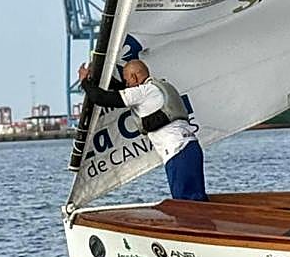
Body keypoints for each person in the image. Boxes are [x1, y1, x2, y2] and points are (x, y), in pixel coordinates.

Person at [77, 59, 206, 200]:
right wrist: (101, 76)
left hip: (177, 150)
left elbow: (101, 98)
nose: (126, 85)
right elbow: (121, 88)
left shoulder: (143, 92)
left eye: (127, 80)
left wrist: (84, 81)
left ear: (134, 77)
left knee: (185, 202)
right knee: (196, 199)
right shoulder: (158, 87)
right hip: (190, 147)